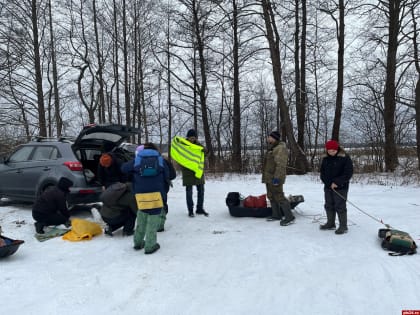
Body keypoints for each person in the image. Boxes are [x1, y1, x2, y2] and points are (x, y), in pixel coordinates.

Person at [121, 143, 169, 254]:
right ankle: (150, 245)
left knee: (142, 215)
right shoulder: (160, 159)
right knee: (153, 218)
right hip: (156, 194)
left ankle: (138, 242)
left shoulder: (137, 160)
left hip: (140, 194)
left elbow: (123, 168)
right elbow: (169, 175)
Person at [320, 139, 353, 234]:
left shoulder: (344, 157)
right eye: (329, 151)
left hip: (341, 187)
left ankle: (343, 226)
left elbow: (348, 173)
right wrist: (328, 183)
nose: (331, 153)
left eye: (333, 151)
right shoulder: (325, 158)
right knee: (328, 205)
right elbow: (322, 173)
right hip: (328, 187)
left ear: (337, 149)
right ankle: (330, 223)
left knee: (340, 206)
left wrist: (337, 182)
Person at [262, 131, 295, 226]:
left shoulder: (280, 148)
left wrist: (277, 178)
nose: (268, 138)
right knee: (271, 196)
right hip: (269, 177)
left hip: (275, 178)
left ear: (274, 138)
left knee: (279, 196)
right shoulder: (272, 148)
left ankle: (290, 217)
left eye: (269, 137)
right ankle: (276, 215)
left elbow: (281, 165)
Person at [181, 129, 208, 217]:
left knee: (201, 191)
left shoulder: (199, 145)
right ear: (187, 137)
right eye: (190, 138)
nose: (192, 139)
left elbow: (205, 153)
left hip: (198, 171)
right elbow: (180, 158)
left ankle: (199, 209)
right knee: (189, 192)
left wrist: (204, 150)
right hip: (188, 172)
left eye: (194, 138)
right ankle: (190, 210)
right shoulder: (183, 146)